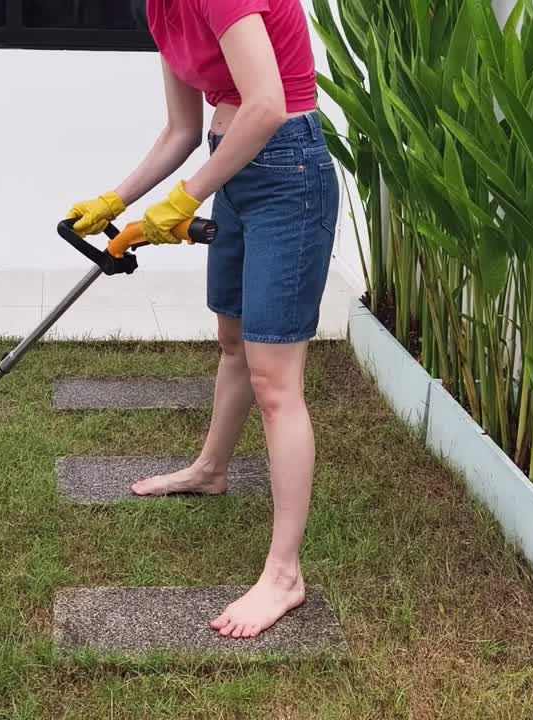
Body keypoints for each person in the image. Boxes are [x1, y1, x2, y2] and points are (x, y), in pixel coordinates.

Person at [67, 0, 337, 639]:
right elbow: (181, 130)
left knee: (276, 382)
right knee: (233, 340)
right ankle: (212, 470)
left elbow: (268, 104)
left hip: (289, 173)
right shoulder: (160, 10)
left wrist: (185, 197)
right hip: (233, 165)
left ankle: (284, 575)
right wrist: (116, 199)